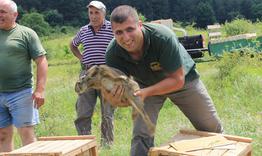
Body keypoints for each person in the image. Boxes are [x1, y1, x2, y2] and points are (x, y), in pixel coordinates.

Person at [105, 5, 224, 156]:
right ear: (113, 33)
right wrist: (117, 99)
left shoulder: (162, 37)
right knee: (141, 135)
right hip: (145, 85)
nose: (126, 38)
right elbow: (118, 94)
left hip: (183, 80)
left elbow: (177, 80)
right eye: (119, 32)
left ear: (139, 25)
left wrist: (145, 93)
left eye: (130, 29)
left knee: (211, 127)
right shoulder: (113, 54)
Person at [0, 0, 48, 152]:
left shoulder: (26, 33)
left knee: (26, 133)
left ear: (15, 15)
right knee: (2, 134)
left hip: (21, 92)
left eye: (2, 12)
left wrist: (40, 90)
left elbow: (41, 61)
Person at [69, 0, 115, 146]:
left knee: (107, 113)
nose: (93, 16)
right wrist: (81, 58)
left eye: (97, 12)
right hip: (87, 74)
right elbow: (73, 44)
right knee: (83, 111)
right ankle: (84, 143)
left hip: (107, 73)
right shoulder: (83, 30)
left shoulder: (112, 28)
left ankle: (107, 144)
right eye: (91, 13)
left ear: (104, 13)